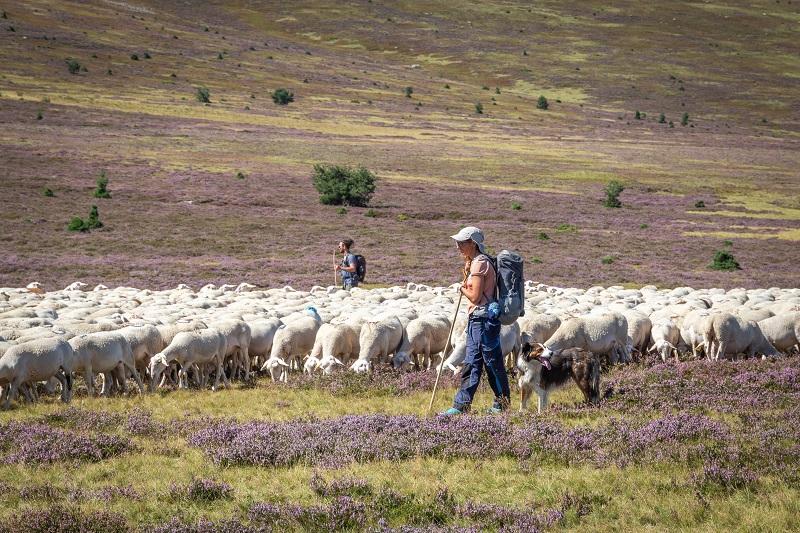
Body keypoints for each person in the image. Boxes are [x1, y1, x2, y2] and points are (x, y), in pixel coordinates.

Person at [442, 226, 511, 415]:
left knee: (489, 362)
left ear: (473, 243)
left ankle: (500, 403)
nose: (458, 247)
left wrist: (461, 288)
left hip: (483, 320)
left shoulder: (480, 263)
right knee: (474, 361)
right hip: (479, 319)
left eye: (461, 243)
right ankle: (462, 405)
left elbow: (474, 296)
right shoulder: (476, 262)